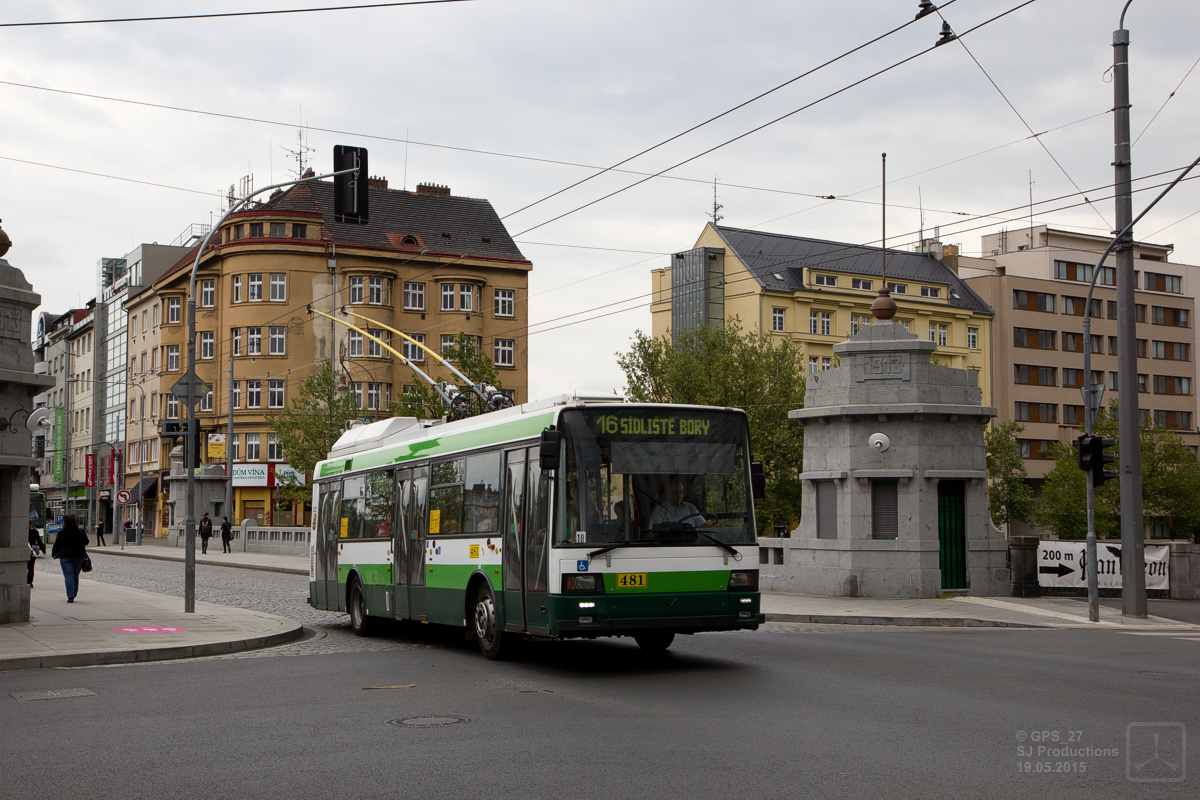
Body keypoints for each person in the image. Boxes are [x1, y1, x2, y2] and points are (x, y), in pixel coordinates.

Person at [50, 514, 89, 603]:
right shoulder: (80, 531)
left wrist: (53, 554)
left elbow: (57, 544)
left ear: (65, 522)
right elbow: (86, 542)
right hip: (78, 556)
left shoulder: (62, 533)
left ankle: (70, 596)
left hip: (65, 557)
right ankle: (74, 594)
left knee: (68, 576)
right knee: (75, 576)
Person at [28, 519, 45, 586]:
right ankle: (30, 582)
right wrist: (43, 550)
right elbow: (39, 541)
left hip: (25, 549)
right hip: (33, 550)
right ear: (31, 524)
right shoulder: (35, 531)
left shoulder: (22, 532)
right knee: (31, 567)